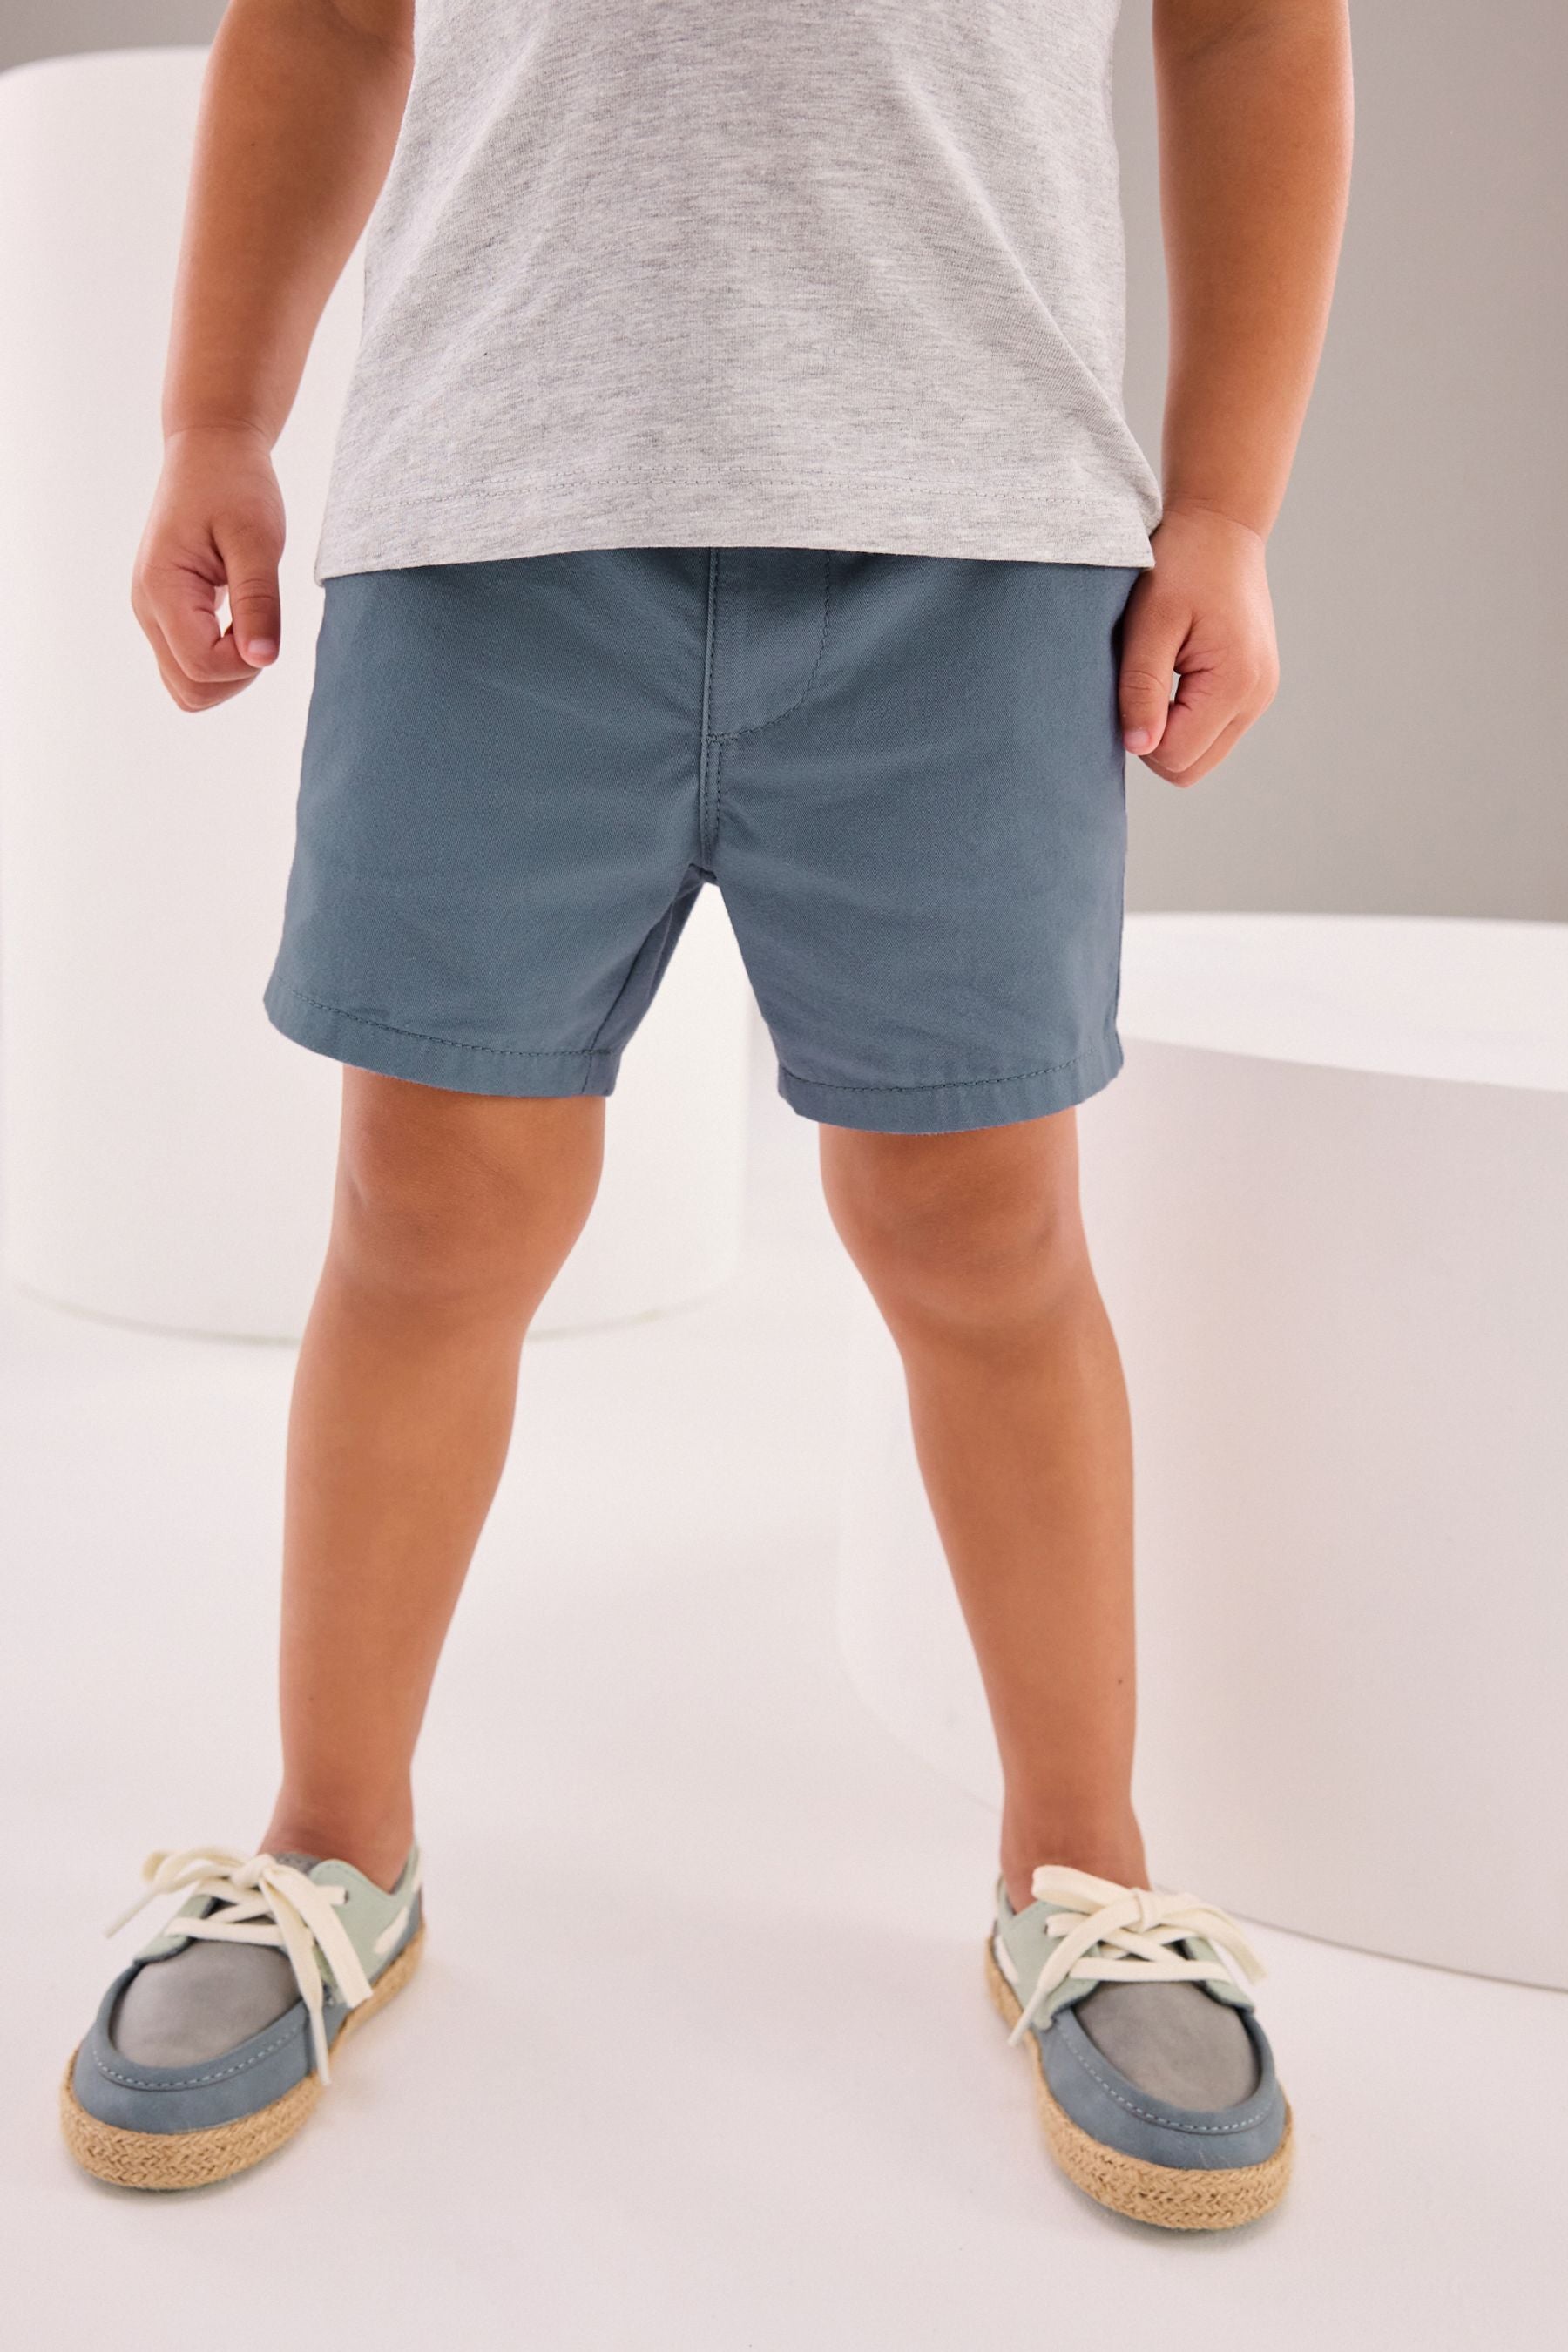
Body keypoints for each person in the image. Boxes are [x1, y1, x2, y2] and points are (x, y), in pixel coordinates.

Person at [60, 0, 1351, 2227]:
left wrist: (1228, 500)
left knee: (983, 1231)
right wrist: (213, 418)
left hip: (976, 523)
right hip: (494, 501)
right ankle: (333, 1847)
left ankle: (1083, 1871)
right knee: (427, 1219)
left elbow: (1250, 28)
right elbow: (327, 17)